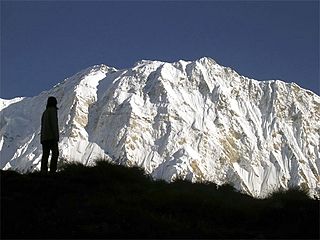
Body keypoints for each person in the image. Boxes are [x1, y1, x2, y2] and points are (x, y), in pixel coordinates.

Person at [40, 96, 59, 174]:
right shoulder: (53, 111)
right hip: (51, 137)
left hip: (44, 138)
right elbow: (54, 124)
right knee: (55, 153)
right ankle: (52, 171)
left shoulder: (45, 112)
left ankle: (43, 171)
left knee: (45, 155)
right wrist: (56, 136)